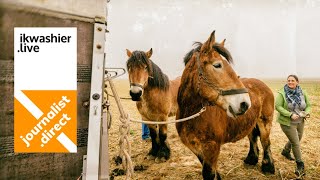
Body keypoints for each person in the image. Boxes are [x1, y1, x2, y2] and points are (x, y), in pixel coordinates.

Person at [275, 74, 311, 176]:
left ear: (297, 82)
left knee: (297, 138)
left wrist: (306, 112)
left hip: (300, 121)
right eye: (288, 80)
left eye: (292, 80)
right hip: (287, 122)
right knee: (296, 143)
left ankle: (285, 151)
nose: (290, 82)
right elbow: (278, 106)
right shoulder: (282, 93)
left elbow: (308, 106)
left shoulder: (303, 92)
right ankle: (300, 165)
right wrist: (290, 114)